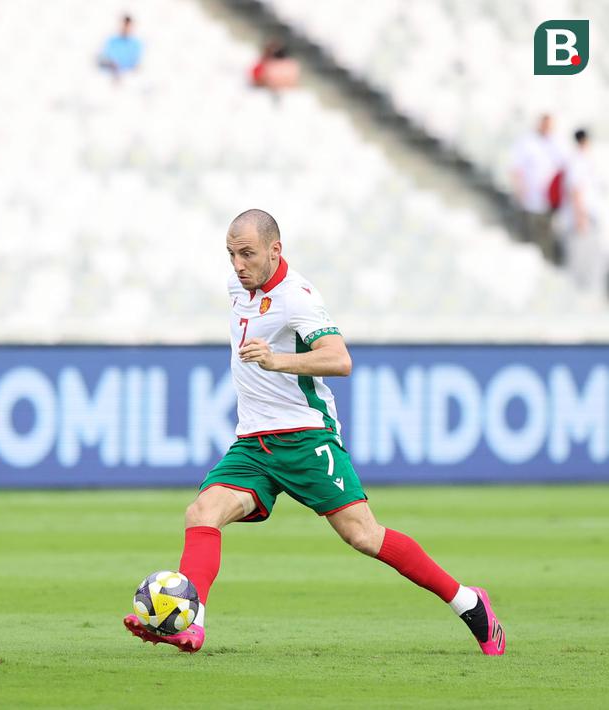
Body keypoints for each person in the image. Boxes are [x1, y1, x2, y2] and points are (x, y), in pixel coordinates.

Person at [123, 209, 505, 655]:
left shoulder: (298, 298)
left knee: (363, 535)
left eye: (247, 254)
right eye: (231, 254)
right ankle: (190, 624)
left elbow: (340, 360)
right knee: (201, 513)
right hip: (254, 445)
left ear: (275, 250)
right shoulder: (238, 286)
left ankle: (469, 603)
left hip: (307, 438)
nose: (237, 265)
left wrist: (277, 361)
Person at [556, 128, 606, 298]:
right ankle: (578, 296)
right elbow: (576, 190)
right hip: (581, 218)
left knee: (591, 257)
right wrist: (580, 217)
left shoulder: (585, 160)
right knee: (580, 260)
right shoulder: (577, 162)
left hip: (588, 216)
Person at [510, 114, 562, 261]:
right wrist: (519, 190)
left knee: (545, 239)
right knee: (527, 239)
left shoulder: (555, 144)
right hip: (528, 199)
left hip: (547, 202)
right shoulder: (527, 142)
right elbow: (515, 168)